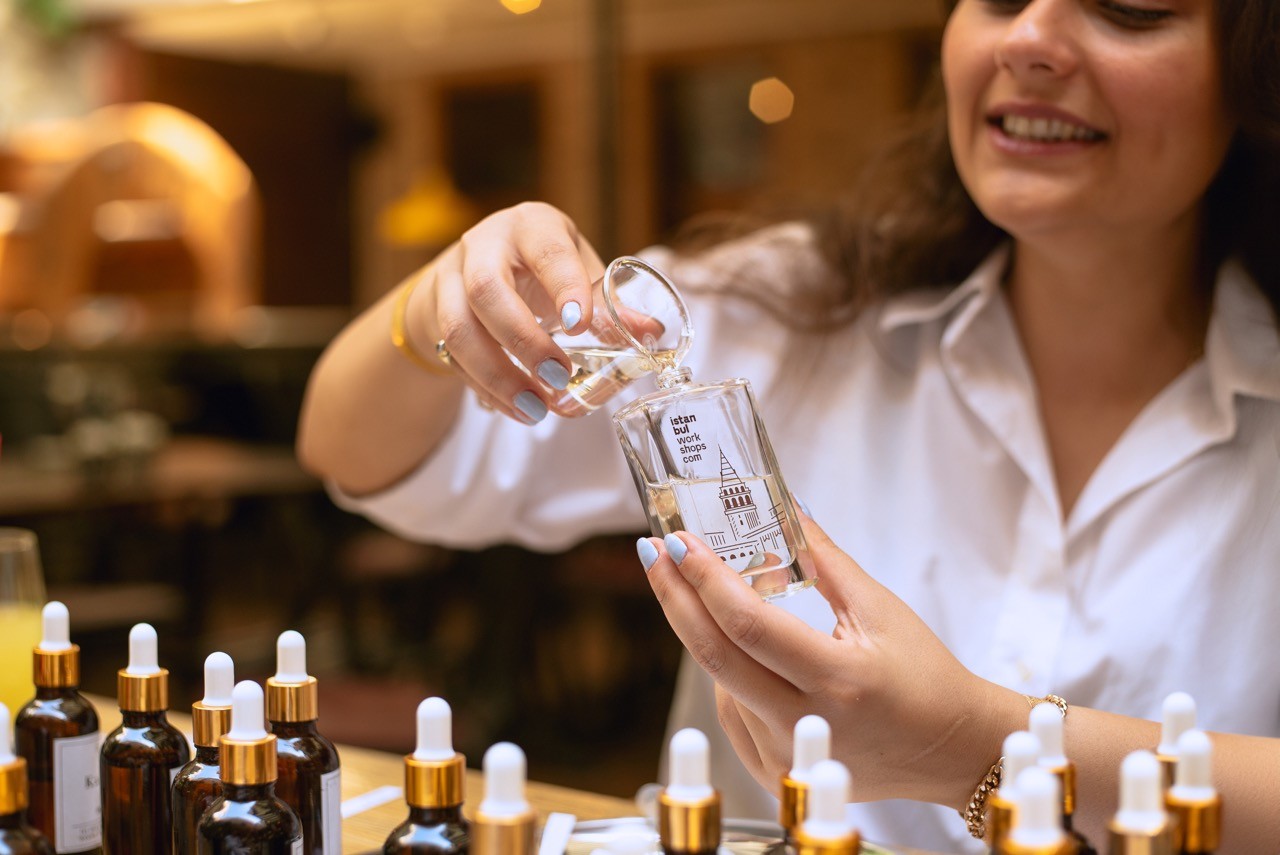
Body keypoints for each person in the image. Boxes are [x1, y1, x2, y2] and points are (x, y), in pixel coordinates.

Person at [297, 0, 1280, 851]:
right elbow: (355, 451)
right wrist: (433, 311)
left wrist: (972, 745)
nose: (1027, 38)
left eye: (1128, 8)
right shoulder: (788, 308)